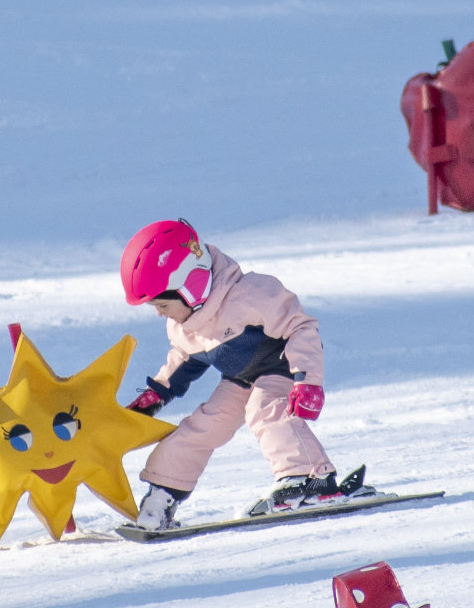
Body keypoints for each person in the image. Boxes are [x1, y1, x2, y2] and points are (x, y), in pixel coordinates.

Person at [118, 218, 366, 531]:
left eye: (162, 304)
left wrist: (308, 380)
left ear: (190, 286)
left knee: (265, 409)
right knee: (202, 426)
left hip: (281, 368)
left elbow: (300, 327)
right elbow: (181, 363)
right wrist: (151, 400)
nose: (158, 313)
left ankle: (309, 480)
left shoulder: (251, 295)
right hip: (241, 380)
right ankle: (162, 495)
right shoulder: (184, 325)